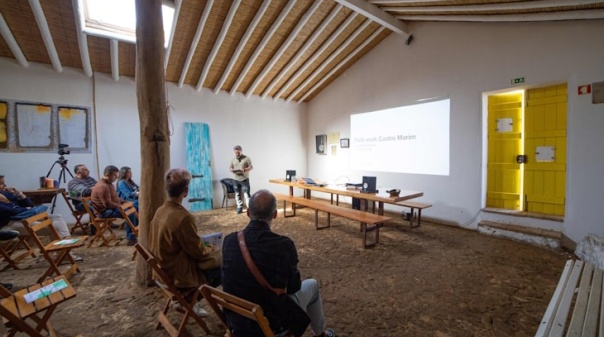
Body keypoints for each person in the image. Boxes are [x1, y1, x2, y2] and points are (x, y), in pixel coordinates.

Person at [221, 190, 335, 337]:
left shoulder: (230, 240)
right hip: (270, 323)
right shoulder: (283, 245)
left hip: (237, 322)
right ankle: (320, 334)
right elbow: (294, 286)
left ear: (248, 213)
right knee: (312, 285)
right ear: (275, 214)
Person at [149, 168, 221, 317]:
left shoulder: (160, 210)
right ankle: (189, 300)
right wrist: (210, 248)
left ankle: (188, 301)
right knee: (223, 268)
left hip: (161, 272)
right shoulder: (183, 217)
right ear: (186, 191)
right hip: (177, 277)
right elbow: (198, 253)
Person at [0, 175, 82, 262]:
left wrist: (19, 194)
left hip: (24, 216)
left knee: (56, 217)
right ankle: (62, 253)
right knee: (52, 227)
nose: (4, 186)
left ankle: (66, 242)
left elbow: (29, 204)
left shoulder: (6, 193)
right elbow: (9, 211)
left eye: (4, 183)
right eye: (1, 184)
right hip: (10, 223)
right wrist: (25, 209)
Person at [91, 165, 137, 246]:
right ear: (108, 175)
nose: (116, 177)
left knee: (135, 207)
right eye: (115, 175)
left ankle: (135, 232)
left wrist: (125, 202)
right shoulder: (102, 186)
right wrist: (121, 206)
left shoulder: (109, 184)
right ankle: (131, 238)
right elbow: (108, 204)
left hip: (111, 208)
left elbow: (116, 198)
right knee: (130, 213)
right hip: (104, 212)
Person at [229, 145, 253, 214]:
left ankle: (249, 209)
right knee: (237, 194)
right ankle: (239, 207)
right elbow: (230, 168)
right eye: (236, 153)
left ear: (241, 151)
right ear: (234, 152)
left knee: (247, 195)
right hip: (235, 180)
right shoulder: (233, 160)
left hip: (244, 179)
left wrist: (245, 169)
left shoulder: (246, 158)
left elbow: (251, 167)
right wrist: (232, 170)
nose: (237, 154)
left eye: (238, 152)